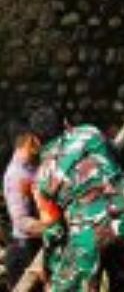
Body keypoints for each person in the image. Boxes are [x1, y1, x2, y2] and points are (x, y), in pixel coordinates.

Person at [28, 106, 124, 292]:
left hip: (89, 237)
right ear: (67, 124)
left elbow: (53, 228)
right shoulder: (90, 133)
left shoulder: (41, 178)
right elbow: (115, 158)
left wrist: (50, 267)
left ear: (35, 141)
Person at [3, 122, 44, 288]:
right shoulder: (16, 175)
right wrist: (56, 228)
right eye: (38, 139)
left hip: (35, 247)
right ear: (29, 141)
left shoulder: (34, 167)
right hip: (25, 252)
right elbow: (22, 222)